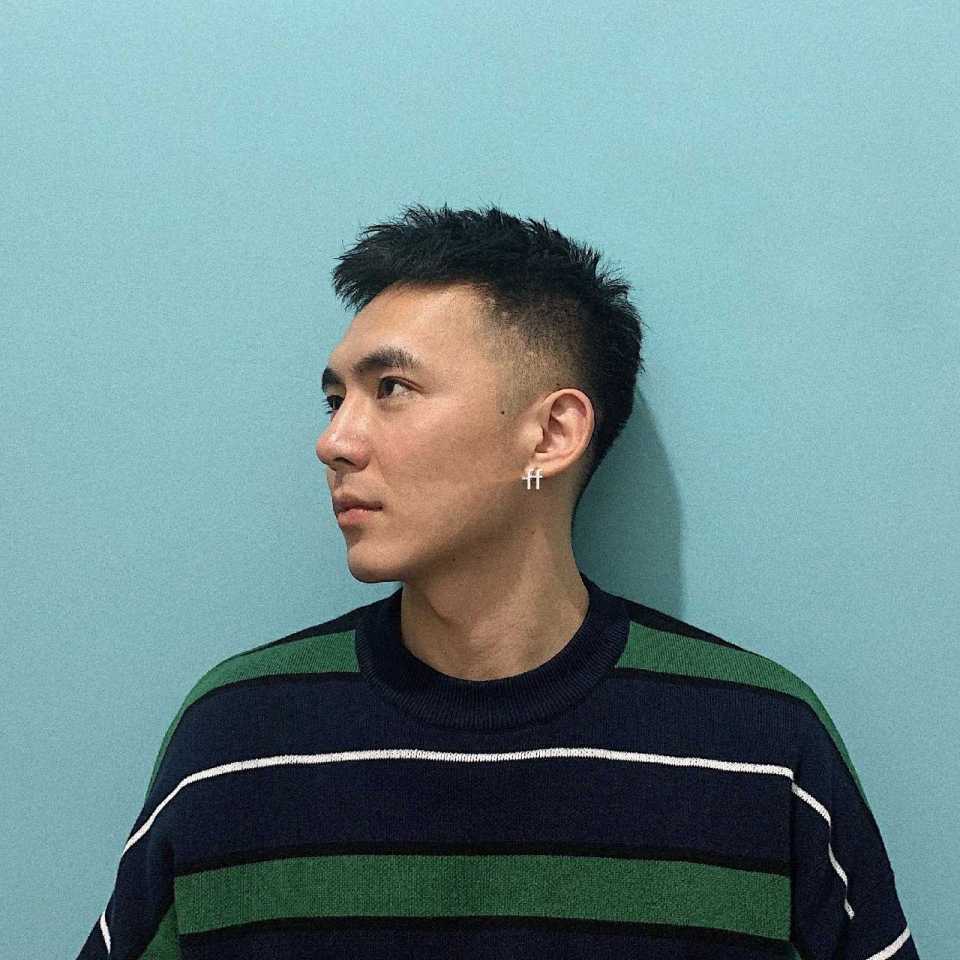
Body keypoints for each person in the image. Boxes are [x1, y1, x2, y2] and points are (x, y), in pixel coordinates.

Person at [76, 203, 918, 958]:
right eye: (335, 400)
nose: (334, 442)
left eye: (391, 388)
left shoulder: (761, 751)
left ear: (551, 434)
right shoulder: (236, 743)